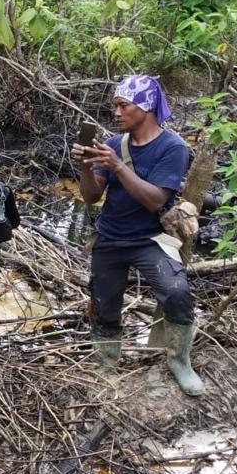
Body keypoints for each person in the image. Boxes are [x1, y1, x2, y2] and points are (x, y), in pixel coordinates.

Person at [71, 74, 205, 396]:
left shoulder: (172, 147)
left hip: (150, 240)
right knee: (104, 304)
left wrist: (119, 168)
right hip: (109, 237)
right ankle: (106, 364)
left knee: (176, 292)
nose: (116, 113)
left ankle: (179, 360)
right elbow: (91, 198)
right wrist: (88, 167)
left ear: (145, 108)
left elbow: (155, 200)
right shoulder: (115, 143)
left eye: (123, 105)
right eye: (114, 106)